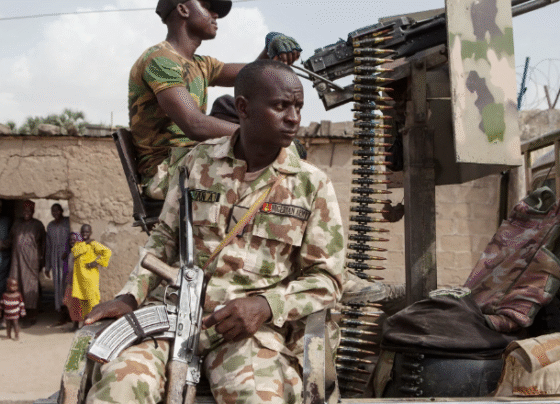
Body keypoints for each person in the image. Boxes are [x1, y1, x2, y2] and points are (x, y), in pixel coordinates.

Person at [84, 60, 345, 404]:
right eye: (281, 106)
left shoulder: (312, 184)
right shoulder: (198, 163)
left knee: (257, 397)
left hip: (248, 335)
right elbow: (164, 239)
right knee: (119, 385)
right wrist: (130, 296)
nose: (293, 117)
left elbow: (327, 279)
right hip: (171, 318)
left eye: (298, 106)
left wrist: (266, 305)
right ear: (243, 108)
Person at [130, 0, 302, 199]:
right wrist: (265, 137)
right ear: (183, 9)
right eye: (207, 7)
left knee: (233, 106)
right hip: (167, 173)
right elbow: (195, 124)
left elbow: (253, 76)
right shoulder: (160, 60)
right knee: (277, 172)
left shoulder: (201, 64)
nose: (215, 15)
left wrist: (271, 49)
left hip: (193, 161)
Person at [7, 200, 45, 326]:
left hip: (31, 262)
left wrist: (42, 260)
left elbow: (43, 244)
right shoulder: (17, 223)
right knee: (15, 285)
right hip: (16, 261)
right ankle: (16, 314)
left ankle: (31, 316)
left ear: (33, 212)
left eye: (29, 211)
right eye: (24, 211)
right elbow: (10, 239)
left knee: (30, 287)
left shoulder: (38, 225)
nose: (26, 213)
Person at [70, 225, 112, 319]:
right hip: (80, 279)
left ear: (91, 233)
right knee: (83, 301)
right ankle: (87, 321)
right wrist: (86, 242)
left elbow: (107, 252)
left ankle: (95, 319)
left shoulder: (94, 244)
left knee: (92, 300)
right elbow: (75, 252)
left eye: (87, 232)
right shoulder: (78, 244)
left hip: (90, 278)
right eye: (83, 232)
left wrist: (96, 262)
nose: (85, 234)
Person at [45, 203, 71, 326]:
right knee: (58, 285)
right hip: (55, 259)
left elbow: (73, 239)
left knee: (67, 284)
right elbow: (48, 246)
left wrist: (68, 251)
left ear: (61, 211)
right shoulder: (50, 226)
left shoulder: (68, 222)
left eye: (57, 210)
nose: (55, 213)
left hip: (67, 259)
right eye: (53, 211)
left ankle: (70, 313)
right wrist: (47, 266)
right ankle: (61, 312)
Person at [62, 233, 83, 331]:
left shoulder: (80, 252)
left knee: (78, 304)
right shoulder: (71, 253)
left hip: (79, 282)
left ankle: (80, 325)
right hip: (71, 281)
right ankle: (75, 324)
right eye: (70, 240)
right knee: (71, 302)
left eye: (74, 239)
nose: (72, 241)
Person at [0, 200, 12, 329]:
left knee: (4, 290)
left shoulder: (6, 221)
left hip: (4, 260)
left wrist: (3, 244)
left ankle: (4, 318)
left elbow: (13, 238)